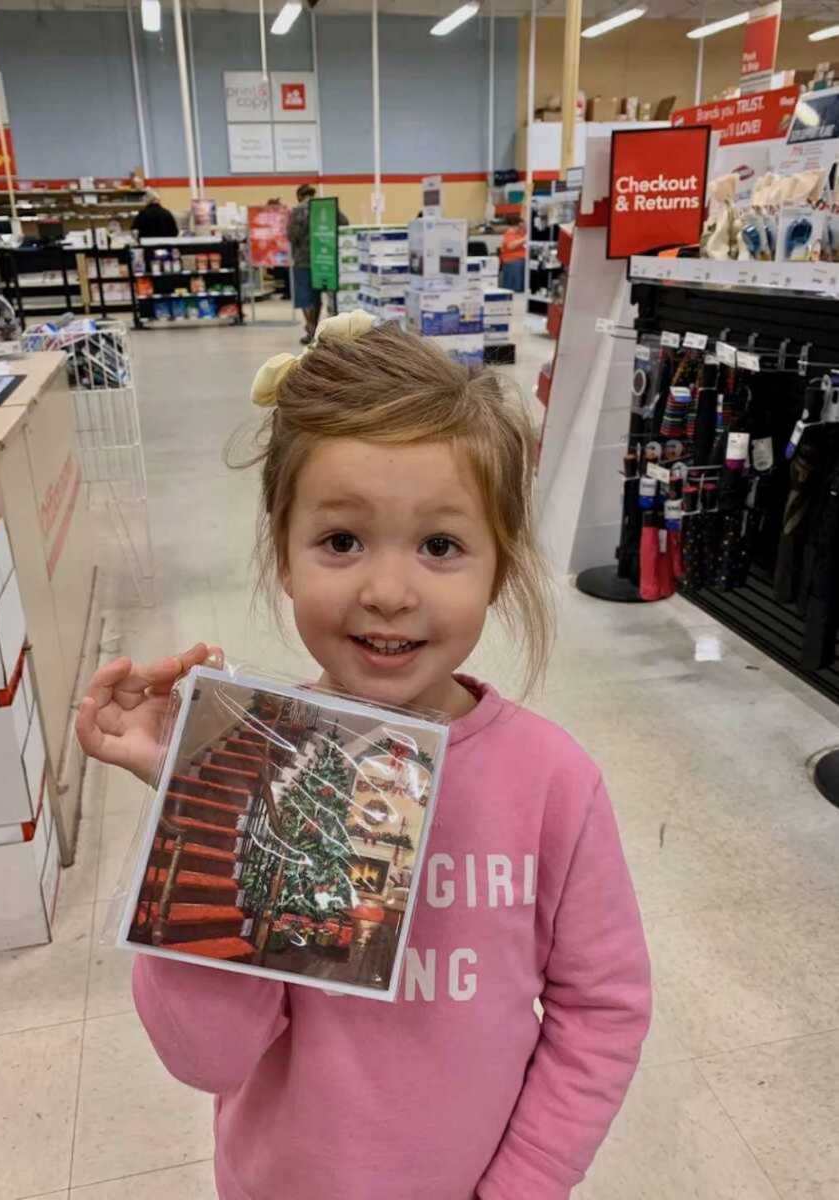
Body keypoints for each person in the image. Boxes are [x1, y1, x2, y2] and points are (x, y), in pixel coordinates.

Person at [76, 312, 651, 1200]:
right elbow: (204, 1057)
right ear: (285, 555)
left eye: (440, 545)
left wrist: (524, 1185)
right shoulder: (254, 764)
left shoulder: (553, 783)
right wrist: (201, 800)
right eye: (341, 541)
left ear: (500, 567)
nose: (388, 591)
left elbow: (601, 1009)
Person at [288, 183, 348, 343]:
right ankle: (322, 330)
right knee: (321, 297)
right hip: (326, 260)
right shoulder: (327, 207)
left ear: (299, 196)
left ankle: (311, 329)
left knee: (307, 298)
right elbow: (345, 223)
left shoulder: (297, 211)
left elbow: (291, 235)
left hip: (303, 261)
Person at [499, 217, 527, 293]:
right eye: (523, 224)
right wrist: (524, 239)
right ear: (518, 225)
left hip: (521, 260)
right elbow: (511, 246)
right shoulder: (509, 233)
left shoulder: (520, 233)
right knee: (514, 287)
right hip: (512, 261)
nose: (525, 226)